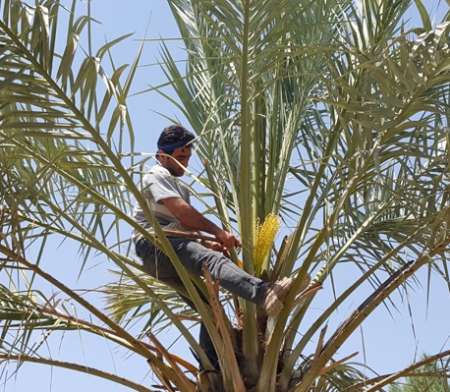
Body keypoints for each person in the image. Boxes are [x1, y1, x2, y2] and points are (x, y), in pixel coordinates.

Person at [133, 124, 294, 369]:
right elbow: (184, 216)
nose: (185, 163)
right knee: (215, 263)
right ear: (161, 156)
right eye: (180, 157)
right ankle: (264, 293)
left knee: (209, 305)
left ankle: (211, 369)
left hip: (166, 252)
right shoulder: (156, 175)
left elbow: (185, 232)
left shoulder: (177, 185)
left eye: (187, 156)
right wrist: (219, 232)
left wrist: (209, 242)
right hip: (156, 246)